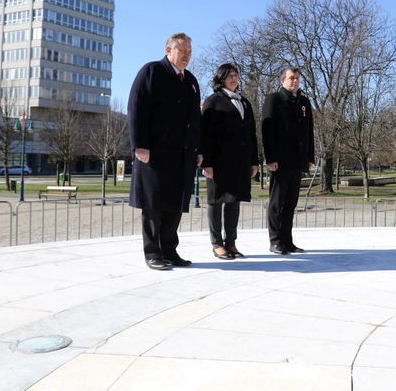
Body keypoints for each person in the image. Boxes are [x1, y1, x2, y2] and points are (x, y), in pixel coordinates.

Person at [128, 33, 202, 270]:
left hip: (182, 154)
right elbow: (136, 108)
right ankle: (153, 252)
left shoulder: (190, 80)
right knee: (154, 204)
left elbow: (195, 119)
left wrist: (198, 148)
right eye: (183, 50)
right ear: (168, 50)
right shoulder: (152, 71)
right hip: (155, 153)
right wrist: (140, 144)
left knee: (174, 203)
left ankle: (170, 250)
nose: (187, 55)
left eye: (190, 52)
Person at [200, 63, 258, 260]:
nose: (234, 78)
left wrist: (254, 161)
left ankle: (231, 243)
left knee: (234, 201)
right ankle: (217, 244)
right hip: (218, 162)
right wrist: (206, 163)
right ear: (221, 79)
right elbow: (205, 135)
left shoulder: (245, 102)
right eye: (229, 75)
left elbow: (251, 134)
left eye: (236, 75)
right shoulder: (212, 101)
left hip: (240, 162)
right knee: (216, 201)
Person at [261, 67, 314, 255]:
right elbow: (267, 130)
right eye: (292, 78)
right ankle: (275, 241)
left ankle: (287, 241)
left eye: (297, 78)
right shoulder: (274, 99)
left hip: (298, 160)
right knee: (277, 203)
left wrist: (310, 157)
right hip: (281, 160)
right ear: (282, 80)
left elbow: (309, 131)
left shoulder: (304, 102)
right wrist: (270, 158)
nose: (295, 81)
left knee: (290, 203)